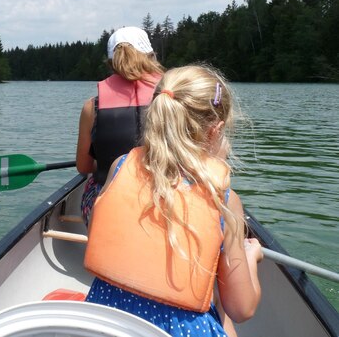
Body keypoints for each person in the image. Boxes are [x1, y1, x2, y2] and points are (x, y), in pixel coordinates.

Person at [84, 65, 263, 337]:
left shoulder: (120, 166)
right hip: (176, 330)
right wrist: (250, 256)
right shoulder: (224, 199)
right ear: (216, 130)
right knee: (226, 317)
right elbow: (242, 308)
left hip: (104, 322)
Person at [75, 26, 164, 226]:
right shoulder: (173, 99)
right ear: (151, 57)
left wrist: (106, 163)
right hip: (162, 202)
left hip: (111, 208)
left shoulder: (93, 107)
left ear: (111, 63)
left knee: (93, 185)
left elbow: (83, 167)